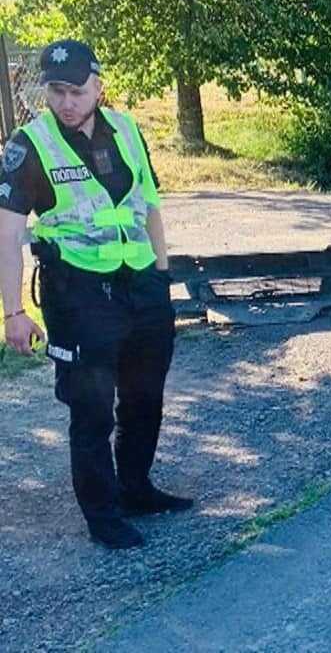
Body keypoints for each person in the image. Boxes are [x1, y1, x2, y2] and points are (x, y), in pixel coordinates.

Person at [0, 40, 191, 549]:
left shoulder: (126, 129)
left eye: (76, 90)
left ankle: (135, 489)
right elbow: (6, 232)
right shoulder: (30, 145)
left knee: (145, 396)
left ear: (98, 85)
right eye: (57, 91)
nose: (66, 101)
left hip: (142, 286)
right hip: (79, 294)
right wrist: (13, 310)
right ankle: (102, 516)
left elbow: (149, 203)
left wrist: (162, 275)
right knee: (91, 410)